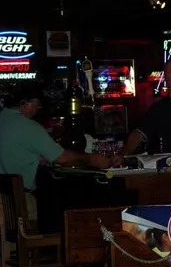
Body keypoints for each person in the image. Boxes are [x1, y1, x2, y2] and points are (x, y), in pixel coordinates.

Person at [0, 82, 112, 220]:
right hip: (21, 202)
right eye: (37, 104)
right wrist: (92, 158)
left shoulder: (3, 119)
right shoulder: (29, 127)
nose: (39, 108)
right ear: (26, 103)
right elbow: (62, 158)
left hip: (3, 202)